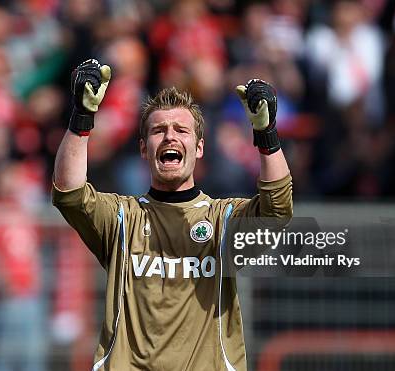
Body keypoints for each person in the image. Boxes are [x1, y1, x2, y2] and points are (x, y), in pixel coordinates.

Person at [52, 59, 293, 370]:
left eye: (181, 129)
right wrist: (81, 117)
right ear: (143, 148)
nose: (169, 137)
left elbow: (277, 210)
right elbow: (68, 192)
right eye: (158, 130)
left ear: (199, 147)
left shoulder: (223, 220)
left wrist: (266, 133)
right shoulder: (122, 218)